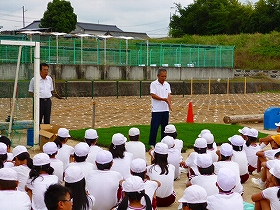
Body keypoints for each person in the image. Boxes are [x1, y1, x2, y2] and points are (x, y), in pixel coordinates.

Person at [146, 142, 176, 207]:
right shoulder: (172, 167)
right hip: (169, 200)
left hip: (154, 199)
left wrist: (152, 155)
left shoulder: (149, 169)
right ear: (167, 155)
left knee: (147, 180)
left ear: (155, 155)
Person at [148, 68, 172, 148]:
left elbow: (169, 95)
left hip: (165, 109)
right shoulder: (153, 84)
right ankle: (152, 143)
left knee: (165, 128)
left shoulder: (167, 84)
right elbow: (153, 95)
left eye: (165, 76)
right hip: (156, 110)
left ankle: (164, 142)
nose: (164, 78)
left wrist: (169, 103)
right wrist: (163, 99)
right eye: (162, 76)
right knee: (154, 127)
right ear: (158, 76)